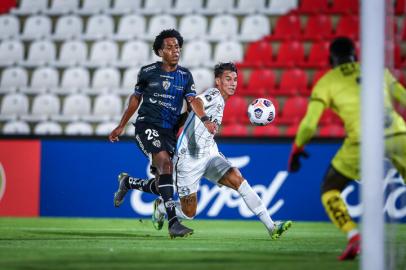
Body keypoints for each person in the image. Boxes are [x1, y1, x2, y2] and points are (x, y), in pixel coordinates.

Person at [116, 62, 293, 239]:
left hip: (209, 153)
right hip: (188, 160)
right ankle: (160, 206)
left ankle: (272, 226)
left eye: (235, 80)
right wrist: (206, 120)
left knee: (239, 180)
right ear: (218, 81)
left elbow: (190, 113)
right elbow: (196, 102)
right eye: (228, 79)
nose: (233, 83)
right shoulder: (214, 94)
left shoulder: (223, 101)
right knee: (188, 212)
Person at [287, 37, 406, 260]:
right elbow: (403, 98)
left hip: (363, 141)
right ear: (356, 55)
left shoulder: (326, 82)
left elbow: (310, 124)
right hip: (399, 134)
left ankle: (353, 236)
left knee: (329, 188)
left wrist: (297, 148)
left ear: (331, 59)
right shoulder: (377, 71)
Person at [109, 29, 217, 239]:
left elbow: (192, 102)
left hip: (170, 131)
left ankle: (128, 182)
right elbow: (135, 98)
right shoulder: (148, 71)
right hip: (146, 125)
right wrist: (121, 125)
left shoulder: (185, 76)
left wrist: (204, 119)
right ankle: (174, 224)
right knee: (165, 164)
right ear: (160, 51)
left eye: (177, 47)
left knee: (163, 184)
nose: (175, 50)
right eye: (169, 47)